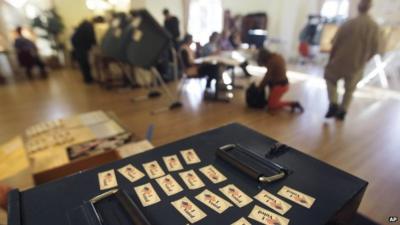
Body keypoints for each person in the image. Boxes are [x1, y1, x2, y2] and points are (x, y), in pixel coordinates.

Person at [324, 0, 380, 120]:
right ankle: (343, 110)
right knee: (349, 89)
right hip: (357, 63)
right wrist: (364, 60)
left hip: (339, 60)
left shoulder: (348, 23)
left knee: (330, 79)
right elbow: (376, 49)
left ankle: (333, 102)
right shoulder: (374, 27)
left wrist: (330, 59)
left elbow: (335, 44)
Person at [257, 48, 304, 113]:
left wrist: (259, 88)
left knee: (271, 105)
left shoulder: (272, 62)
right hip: (283, 84)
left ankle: (293, 104)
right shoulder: (277, 57)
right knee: (270, 101)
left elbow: (267, 77)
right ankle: (273, 100)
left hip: (280, 86)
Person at [71, 19, 96, 84]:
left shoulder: (81, 28)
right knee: (85, 64)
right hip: (82, 48)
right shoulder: (89, 27)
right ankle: (88, 79)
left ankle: (87, 78)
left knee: (83, 64)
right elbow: (92, 38)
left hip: (78, 47)